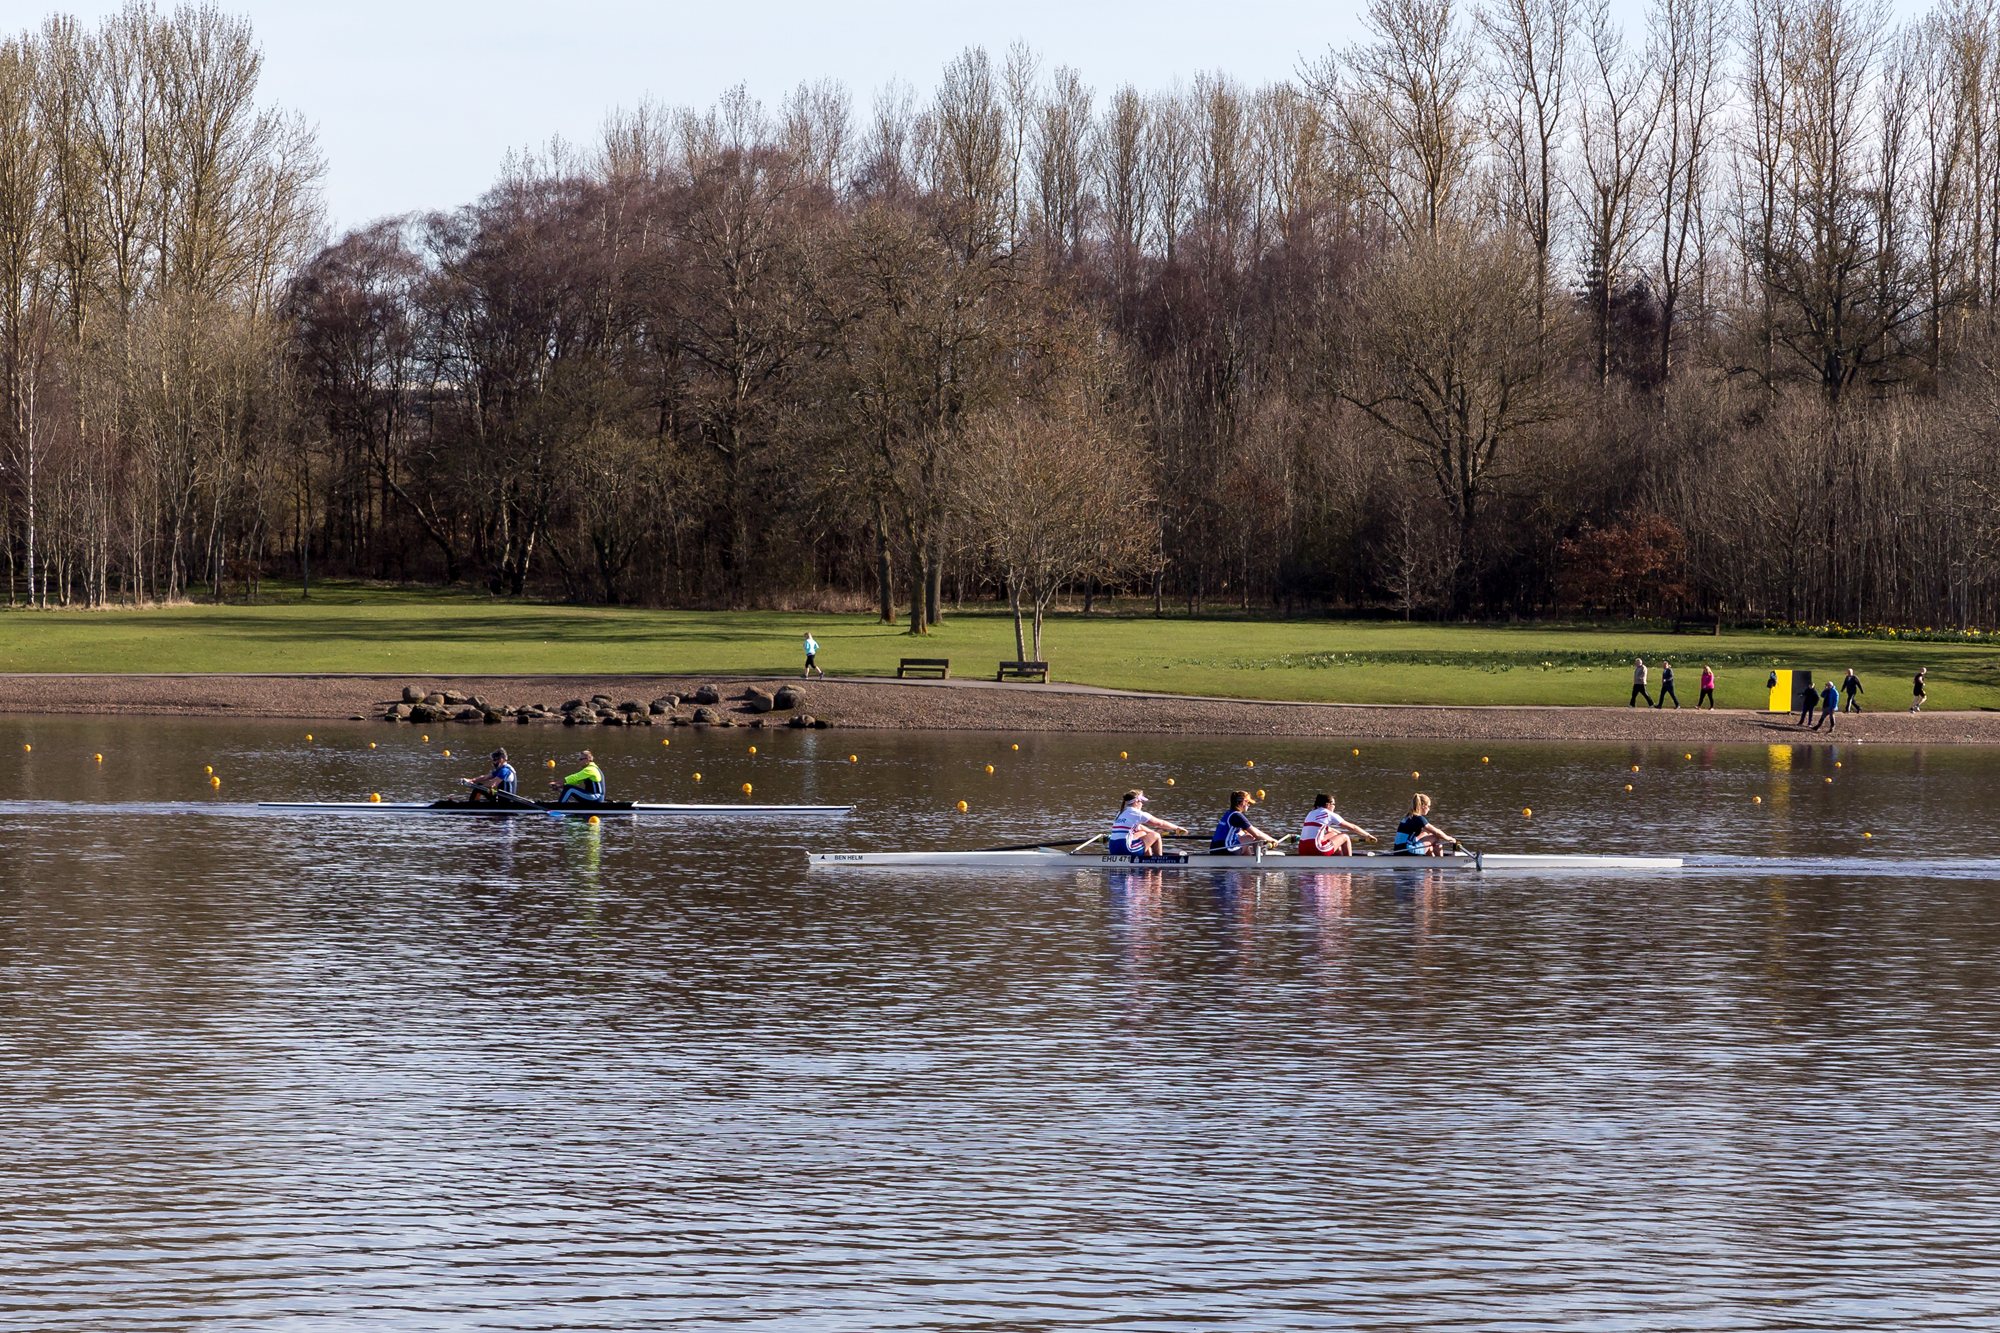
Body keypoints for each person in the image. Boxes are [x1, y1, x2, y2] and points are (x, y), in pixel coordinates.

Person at [1107, 790, 1186, 858]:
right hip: (1126, 850)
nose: (1142, 804)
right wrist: (1177, 828)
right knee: (1156, 835)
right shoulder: (1137, 813)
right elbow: (1160, 823)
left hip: (1113, 849)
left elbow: (1139, 827)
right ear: (1136, 802)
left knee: (1143, 833)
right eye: (1141, 801)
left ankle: (1147, 859)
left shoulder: (1120, 813)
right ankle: (1159, 860)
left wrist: (1151, 833)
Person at [1298, 793, 1376, 856]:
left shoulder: (1310, 813)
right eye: (1334, 804)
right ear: (1328, 805)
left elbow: (1330, 830)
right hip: (1317, 849)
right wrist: (1368, 835)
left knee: (1333, 834)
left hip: (1302, 850)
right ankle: (1348, 863)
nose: (1334, 806)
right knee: (1345, 837)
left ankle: (1337, 858)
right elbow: (1352, 827)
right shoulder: (1328, 813)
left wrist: (1340, 836)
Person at [1209, 790, 1281, 855]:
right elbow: (1257, 834)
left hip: (1214, 849)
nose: (1249, 804)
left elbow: (1240, 832)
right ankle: (1256, 860)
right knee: (1250, 837)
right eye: (1247, 802)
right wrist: (1272, 840)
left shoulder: (1228, 813)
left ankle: (1248, 860)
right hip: (1226, 850)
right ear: (1242, 802)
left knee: (1246, 835)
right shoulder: (1237, 815)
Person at [1394, 792, 1461, 857]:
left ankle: (1431, 862)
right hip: (1407, 851)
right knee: (1435, 837)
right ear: (1423, 805)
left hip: (1398, 851)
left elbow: (1427, 832)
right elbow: (1437, 832)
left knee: (1426, 835)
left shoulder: (1408, 817)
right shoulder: (1418, 818)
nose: (1429, 809)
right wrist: (1450, 839)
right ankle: (1441, 861)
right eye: (1428, 806)